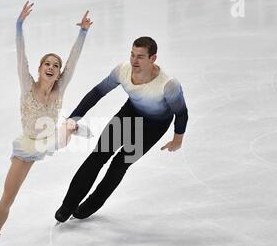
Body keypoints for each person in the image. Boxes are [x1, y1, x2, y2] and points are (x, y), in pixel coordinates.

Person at [0, 1, 93, 246]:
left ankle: (72, 125)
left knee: (62, 136)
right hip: (28, 144)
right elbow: (21, 56)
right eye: (46, 64)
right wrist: (19, 25)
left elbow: (73, 62)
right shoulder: (27, 85)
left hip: (51, 137)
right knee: (7, 197)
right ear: (40, 69)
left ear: (58, 73)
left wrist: (83, 32)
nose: (51, 67)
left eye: (55, 65)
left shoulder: (59, 89)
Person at [55, 36, 188, 223]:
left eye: (140, 57)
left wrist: (177, 139)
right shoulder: (123, 70)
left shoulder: (169, 85)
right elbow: (97, 93)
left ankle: (92, 204)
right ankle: (68, 205)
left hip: (154, 126)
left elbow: (181, 113)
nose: (134, 60)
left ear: (153, 58)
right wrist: (73, 118)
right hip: (129, 114)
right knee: (98, 155)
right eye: (132, 54)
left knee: (120, 163)